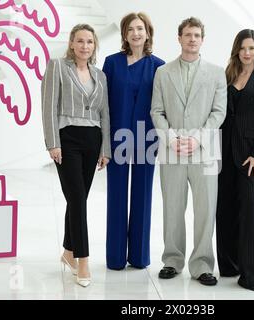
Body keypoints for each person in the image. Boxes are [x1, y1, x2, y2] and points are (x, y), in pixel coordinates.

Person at [151, 17, 227, 286]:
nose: (192, 39)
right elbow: (156, 111)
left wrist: (197, 140)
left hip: (204, 152)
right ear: (179, 38)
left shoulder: (217, 73)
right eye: (187, 34)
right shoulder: (163, 72)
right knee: (172, 208)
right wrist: (171, 139)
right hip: (172, 151)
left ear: (202, 39)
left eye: (196, 35)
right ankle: (172, 261)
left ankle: (203, 265)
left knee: (205, 210)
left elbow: (219, 112)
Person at [41, 24, 111, 287]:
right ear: (72, 43)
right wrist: (52, 143)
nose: (84, 46)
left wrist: (105, 149)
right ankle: (82, 258)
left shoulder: (100, 75)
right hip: (67, 139)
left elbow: (105, 113)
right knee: (78, 199)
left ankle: (68, 252)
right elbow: (48, 106)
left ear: (94, 46)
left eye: (89, 42)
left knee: (77, 198)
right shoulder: (57, 66)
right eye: (80, 41)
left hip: (92, 140)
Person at [102, 12, 165, 270]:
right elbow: (103, 106)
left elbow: (162, 105)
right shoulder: (111, 63)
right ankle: (115, 258)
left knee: (143, 196)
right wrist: (102, 142)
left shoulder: (159, 66)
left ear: (148, 33)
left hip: (147, 138)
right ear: (125, 35)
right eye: (130, 29)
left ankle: (139, 256)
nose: (136, 33)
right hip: (117, 137)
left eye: (140, 29)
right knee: (116, 197)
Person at [216, 29, 254, 291]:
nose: (247, 52)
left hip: (249, 155)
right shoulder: (226, 76)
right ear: (236, 50)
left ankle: (251, 274)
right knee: (225, 210)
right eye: (242, 48)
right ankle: (229, 265)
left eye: (251, 48)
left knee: (249, 211)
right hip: (223, 154)